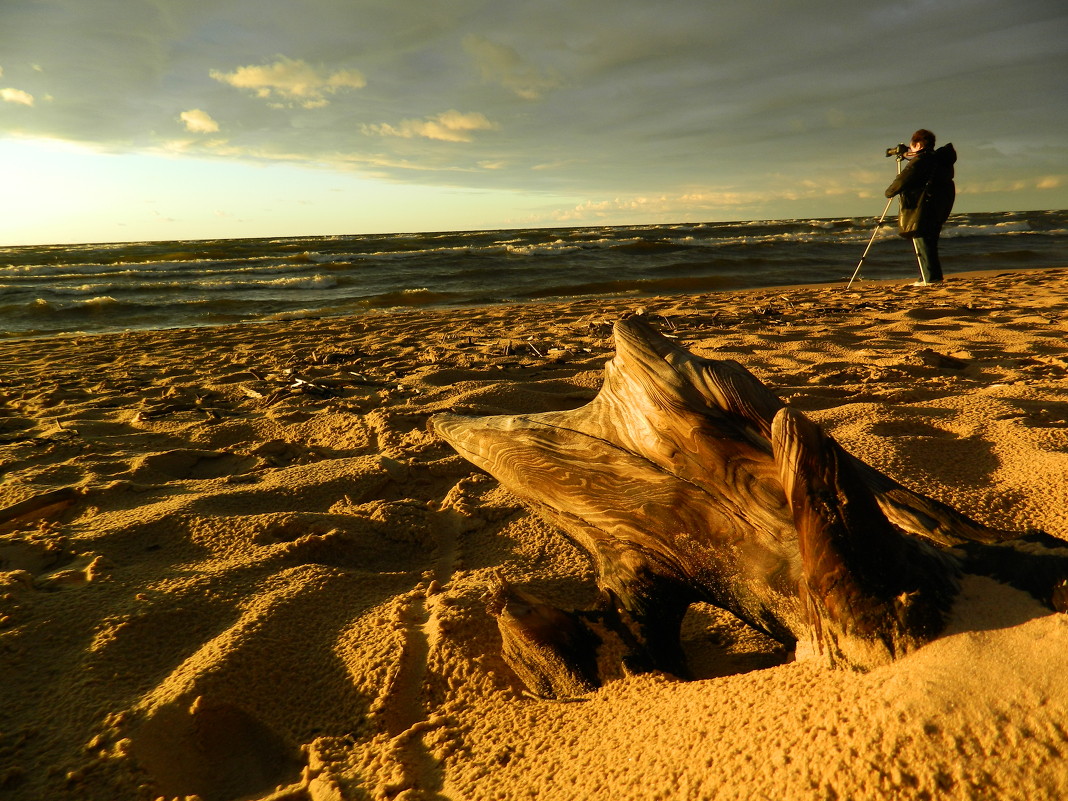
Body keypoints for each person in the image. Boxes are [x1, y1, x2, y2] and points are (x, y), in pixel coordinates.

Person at [885, 129, 956, 285]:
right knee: (929, 243)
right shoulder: (941, 160)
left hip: (922, 207)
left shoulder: (921, 161)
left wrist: (889, 192)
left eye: (912, 146)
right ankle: (928, 276)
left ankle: (931, 279)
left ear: (918, 144)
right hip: (938, 206)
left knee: (922, 242)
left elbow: (901, 182)